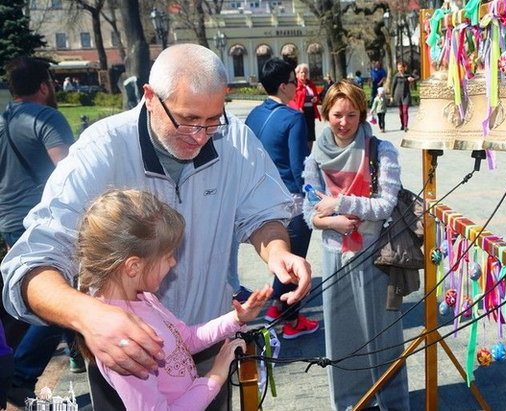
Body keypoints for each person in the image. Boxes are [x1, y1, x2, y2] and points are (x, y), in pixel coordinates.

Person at [1, 44, 311, 410]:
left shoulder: (235, 140)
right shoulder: (101, 150)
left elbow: (263, 216)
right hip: (128, 362)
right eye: (188, 120)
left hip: (207, 346)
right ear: (150, 97)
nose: (200, 135)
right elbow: (31, 265)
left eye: (213, 120)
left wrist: (277, 250)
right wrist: (89, 316)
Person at [75, 188, 272, 410]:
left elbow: (185, 339)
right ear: (134, 266)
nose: (173, 263)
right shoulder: (123, 340)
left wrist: (236, 318)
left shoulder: (144, 298)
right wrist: (214, 377)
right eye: (168, 256)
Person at [302, 79, 410, 410]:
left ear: (362, 114)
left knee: (383, 336)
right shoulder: (317, 154)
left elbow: (385, 204)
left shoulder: (381, 150)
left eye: (352, 115)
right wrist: (329, 221)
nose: (344, 122)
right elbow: (309, 210)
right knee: (342, 337)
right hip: (335, 254)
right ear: (325, 114)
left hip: (375, 254)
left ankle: (391, 402)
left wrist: (339, 204)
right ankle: (350, 403)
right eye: (337, 114)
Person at [0, 56, 80, 406]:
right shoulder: (46, 117)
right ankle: (22, 373)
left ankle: (80, 353)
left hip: (9, 219)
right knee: (53, 300)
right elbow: (67, 172)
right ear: (45, 85)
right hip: (43, 222)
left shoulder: (3, 120)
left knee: (43, 292)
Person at [245, 58, 319, 339]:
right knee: (294, 260)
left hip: (259, 196)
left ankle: (278, 309)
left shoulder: (253, 115)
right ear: (284, 86)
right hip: (290, 199)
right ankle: (290, 318)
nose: (297, 85)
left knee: (281, 258)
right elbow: (298, 164)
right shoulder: (293, 117)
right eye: (293, 80)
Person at [288, 63, 321, 149]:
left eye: (306, 72)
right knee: (301, 134)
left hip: (310, 112)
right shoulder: (295, 85)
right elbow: (291, 99)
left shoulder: (310, 84)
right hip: (299, 113)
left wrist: (315, 99)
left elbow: (316, 96)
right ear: (297, 74)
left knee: (310, 135)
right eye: (302, 72)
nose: (304, 74)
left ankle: (308, 154)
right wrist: (297, 108)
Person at [390, 61, 415, 132]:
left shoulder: (407, 76)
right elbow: (393, 87)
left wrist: (412, 79)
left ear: (404, 68)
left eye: (401, 67)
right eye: (398, 68)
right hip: (398, 96)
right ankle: (402, 124)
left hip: (406, 95)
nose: (400, 69)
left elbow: (417, 77)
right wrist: (391, 96)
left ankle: (405, 126)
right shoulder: (396, 76)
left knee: (405, 111)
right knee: (401, 112)